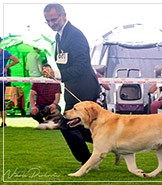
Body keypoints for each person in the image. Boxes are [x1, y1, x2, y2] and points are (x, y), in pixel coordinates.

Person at [43, 3, 101, 165]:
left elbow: (81, 66)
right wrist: (52, 72)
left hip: (84, 87)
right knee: (84, 126)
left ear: (64, 16)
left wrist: (57, 74)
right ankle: (113, 146)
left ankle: (90, 159)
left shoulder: (75, 35)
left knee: (67, 124)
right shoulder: (58, 36)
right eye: (48, 21)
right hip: (71, 87)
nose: (51, 24)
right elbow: (64, 61)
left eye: (54, 20)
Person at [0, 37, 20, 127]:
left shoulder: (5, 52)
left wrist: (6, 67)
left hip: (2, 80)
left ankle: (3, 122)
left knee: (1, 101)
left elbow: (16, 60)